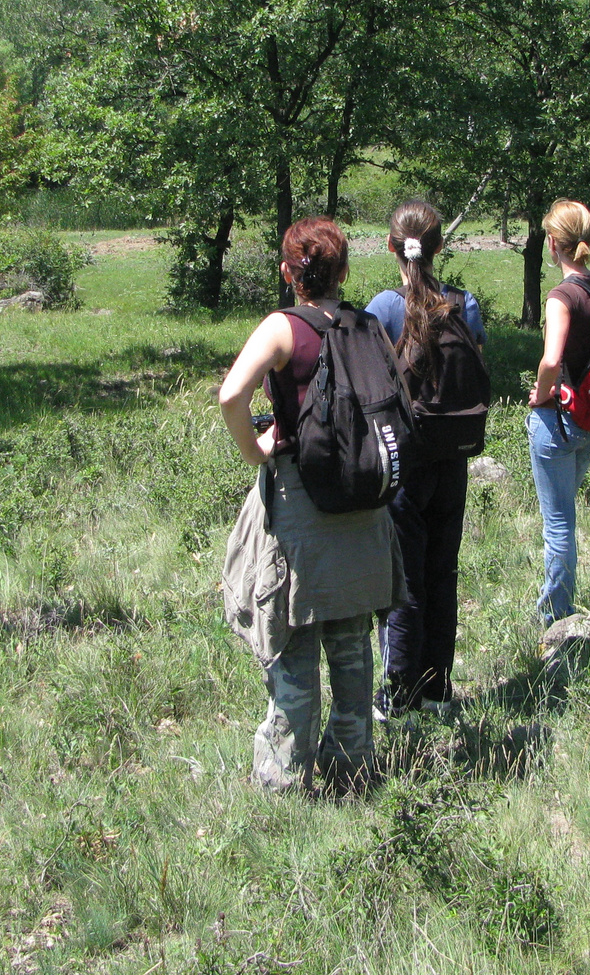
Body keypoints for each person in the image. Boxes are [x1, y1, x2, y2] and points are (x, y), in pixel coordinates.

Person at [217, 217, 399, 793]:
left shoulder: (282, 329)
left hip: (302, 506)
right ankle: (353, 767)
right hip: (362, 506)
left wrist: (256, 448)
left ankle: (284, 778)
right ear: (344, 271)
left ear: (288, 273)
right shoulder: (368, 325)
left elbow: (231, 395)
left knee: (294, 646)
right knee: (351, 645)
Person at [365, 201, 487, 717]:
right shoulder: (467, 304)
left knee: (404, 581)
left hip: (403, 464)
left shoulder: (383, 309)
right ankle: (438, 692)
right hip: (453, 459)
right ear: (440, 247)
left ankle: (399, 696)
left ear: (392, 246)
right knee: (443, 572)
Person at [526, 200, 590, 624]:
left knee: (558, 523)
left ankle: (557, 617)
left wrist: (541, 395)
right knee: (565, 512)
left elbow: (550, 361)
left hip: (558, 424)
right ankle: (558, 606)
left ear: (552, 245)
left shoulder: (561, 296)